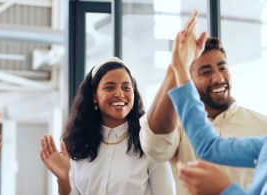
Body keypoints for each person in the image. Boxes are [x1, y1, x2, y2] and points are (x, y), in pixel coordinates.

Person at [139, 11, 267, 195]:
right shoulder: (264, 143)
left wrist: (225, 190)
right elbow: (208, 146)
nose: (218, 77)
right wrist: (178, 68)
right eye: (206, 72)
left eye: (223, 67)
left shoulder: (263, 126)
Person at [40, 57, 175, 195]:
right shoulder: (78, 146)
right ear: (94, 96)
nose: (120, 94)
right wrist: (63, 178)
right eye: (110, 87)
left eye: (126, 87)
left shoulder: (149, 144)